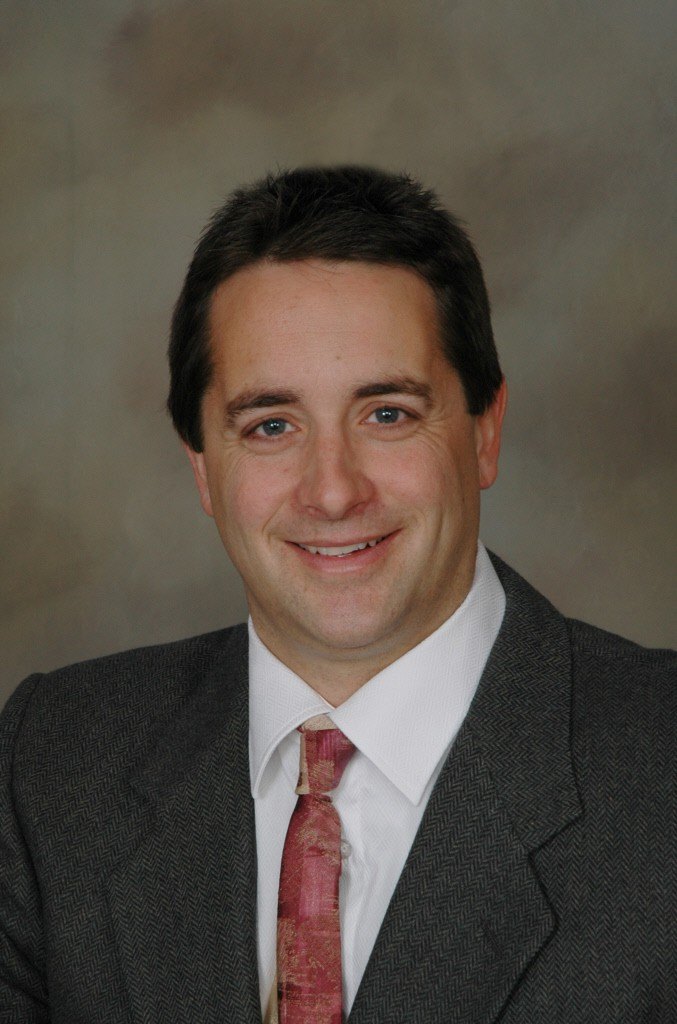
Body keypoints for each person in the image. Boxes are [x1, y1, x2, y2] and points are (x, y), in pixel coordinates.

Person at [1, 166, 674, 1024]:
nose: (331, 491)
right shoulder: (53, 763)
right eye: (271, 426)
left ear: (484, 431)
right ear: (202, 468)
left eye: (386, 413)